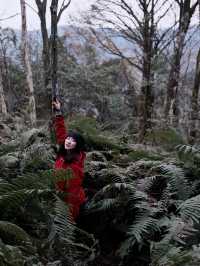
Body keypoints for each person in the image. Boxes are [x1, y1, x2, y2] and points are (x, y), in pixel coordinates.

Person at [52, 99, 86, 220]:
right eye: (68, 139)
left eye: (72, 141)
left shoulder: (75, 165)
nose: (68, 141)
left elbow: (73, 193)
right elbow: (61, 132)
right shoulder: (64, 151)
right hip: (58, 196)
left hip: (68, 202)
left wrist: (69, 217)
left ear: (78, 145)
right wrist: (58, 111)